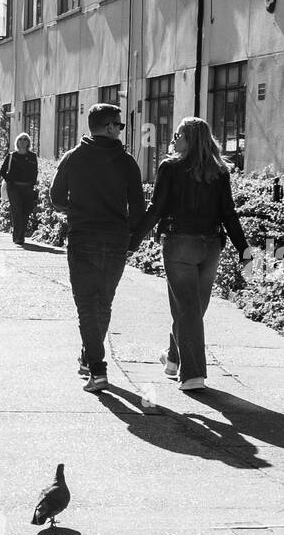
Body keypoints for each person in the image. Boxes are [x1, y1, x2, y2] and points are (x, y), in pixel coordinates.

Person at [129, 117, 253, 391]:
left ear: (189, 139)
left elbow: (156, 209)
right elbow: (228, 214)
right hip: (210, 246)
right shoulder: (219, 171)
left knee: (188, 310)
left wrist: (132, 241)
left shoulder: (170, 167)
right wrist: (244, 250)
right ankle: (173, 359)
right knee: (193, 309)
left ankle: (193, 374)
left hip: (180, 244)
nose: (173, 139)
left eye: (177, 135)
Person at [50, 104, 145, 392]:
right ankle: (91, 360)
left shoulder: (73, 158)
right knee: (103, 303)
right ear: (108, 127)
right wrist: (133, 241)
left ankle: (96, 367)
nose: (121, 130)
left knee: (86, 308)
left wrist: (76, 210)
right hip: (115, 240)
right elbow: (139, 209)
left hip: (83, 238)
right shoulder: (126, 162)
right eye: (119, 124)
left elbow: (55, 197)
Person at [0, 133, 38, 245]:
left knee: (25, 212)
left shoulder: (32, 156)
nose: (22, 141)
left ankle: (21, 236)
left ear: (28, 142)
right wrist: (9, 180)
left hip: (27, 188)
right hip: (14, 188)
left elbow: (35, 171)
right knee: (17, 212)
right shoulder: (12, 156)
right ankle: (17, 237)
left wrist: (33, 184)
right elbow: (2, 171)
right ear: (17, 142)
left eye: (25, 139)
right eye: (20, 139)